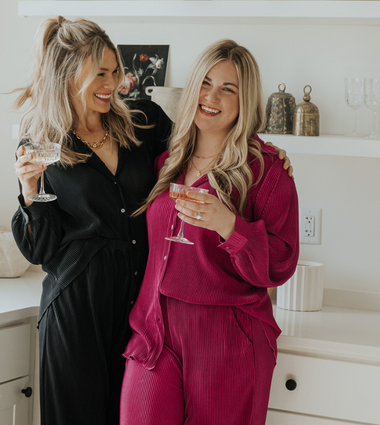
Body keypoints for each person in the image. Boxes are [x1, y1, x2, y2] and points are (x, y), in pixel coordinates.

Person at [11, 17, 293, 425]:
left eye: (116, 71)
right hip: (78, 312)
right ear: (69, 77)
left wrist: (264, 150)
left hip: (138, 311)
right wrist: (28, 189)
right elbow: (40, 249)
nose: (113, 83)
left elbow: (202, 143)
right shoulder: (41, 143)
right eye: (100, 74)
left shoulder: (143, 122)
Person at [120, 39, 299, 425]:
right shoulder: (167, 161)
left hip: (228, 341)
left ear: (245, 100)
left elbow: (282, 262)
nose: (211, 95)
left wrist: (228, 225)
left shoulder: (266, 172)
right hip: (155, 332)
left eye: (227, 88)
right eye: (205, 82)